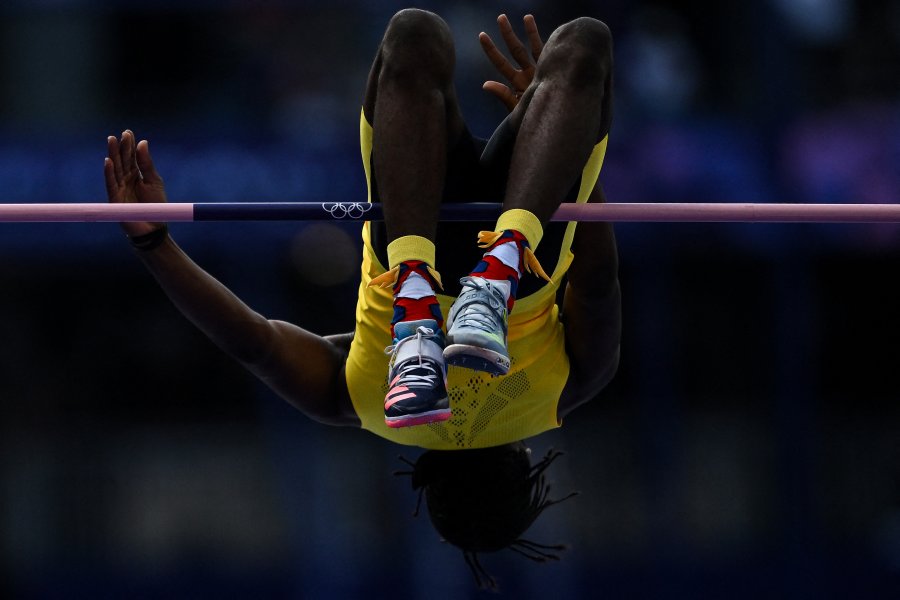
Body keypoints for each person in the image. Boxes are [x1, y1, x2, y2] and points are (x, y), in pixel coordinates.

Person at [104, 10, 620, 589]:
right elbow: (254, 342)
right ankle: (429, 291)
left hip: (523, 261)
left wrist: (562, 145)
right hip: (419, 242)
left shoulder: (566, 389)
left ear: (521, 462)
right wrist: (153, 243)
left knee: (580, 45)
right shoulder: (360, 403)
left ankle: (492, 264)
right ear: (425, 476)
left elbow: (596, 282)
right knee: (411, 41)